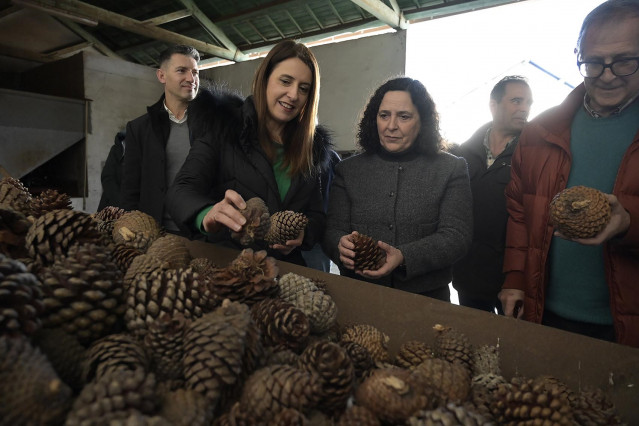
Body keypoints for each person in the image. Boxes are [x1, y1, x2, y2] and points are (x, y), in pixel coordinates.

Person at [499, 0, 639, 347]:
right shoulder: (540, 131)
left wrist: (629, 223)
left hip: (627, 328)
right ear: (578, 55)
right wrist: (515, 278)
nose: (607, 75)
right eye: (593, 63)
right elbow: (519, 212)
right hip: (546, 315)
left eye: (623, 61)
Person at [166, 40, 333, 266]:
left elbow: (316, 215)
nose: (293, 95)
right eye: (285, 81)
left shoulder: (311, 150)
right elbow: (181, 191)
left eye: (304, 88)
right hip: (227, 268)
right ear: (264, 80)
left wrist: (303, 233)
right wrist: (207, 213)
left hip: (283, 273)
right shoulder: (223, 126)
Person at [322, 77, 473, 302]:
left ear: (423, 121)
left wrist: (404, 256)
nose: (391, 125)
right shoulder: (348, 170)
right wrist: (339, 245)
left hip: (426, 301)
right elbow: (332, 230)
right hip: (357, 297)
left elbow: (456, 236)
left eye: (404, 116)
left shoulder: (451, 168)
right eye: (384, 115)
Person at [451, 76, 533, 314]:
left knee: (513, 344)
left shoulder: (533, 156)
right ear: (493, 105)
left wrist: (519, 275)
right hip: (468, 275)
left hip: (512, 277)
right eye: (516, 101)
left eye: (528, 102)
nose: (524, 108)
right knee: (475, 340)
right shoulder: (461, 154)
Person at [120, 44, 219, 233]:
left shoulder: (214, 124)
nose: (191, 79)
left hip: (203, 233)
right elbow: (130, 189)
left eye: (195, 73)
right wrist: (129, 228)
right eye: (182, 71)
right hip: (155, 232)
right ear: (161, 76)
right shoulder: (139, 128)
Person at [97, 129, 126, 211]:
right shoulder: (116, 151)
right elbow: (107, 177)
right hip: (112, 206)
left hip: (135, 212)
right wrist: (119, 202)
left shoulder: (143, 154)